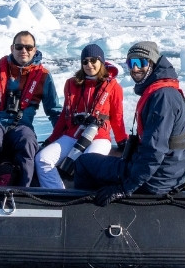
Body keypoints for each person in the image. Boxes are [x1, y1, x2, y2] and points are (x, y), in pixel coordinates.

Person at [73, 41, 185, 204]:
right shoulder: (163, 91)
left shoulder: (162, 97)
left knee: (83, 162)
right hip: (174, 170)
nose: (135, 68)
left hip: (160, 178)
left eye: (140, 62)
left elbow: (154, 151)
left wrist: (125, 188)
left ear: (151, 63)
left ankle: (84, 213)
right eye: (131, 63)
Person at [0, 30, 62, 186]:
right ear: (12, 48)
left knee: (28, 142)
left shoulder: (43, 76)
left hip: (22, 125)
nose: (24, 51)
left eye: (29, 48)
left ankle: (25, 191)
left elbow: (54, 111)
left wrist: (63, 138)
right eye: (19, 47)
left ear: (34, 50)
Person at [33, 44, 127, 189]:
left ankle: (87, 201)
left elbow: (118, 117)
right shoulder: (71, 84)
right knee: (42, 159)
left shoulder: (114, 87)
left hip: (99, 137)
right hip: (72, 135)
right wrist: (51, 139)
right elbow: (65, 114)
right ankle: (58, 195)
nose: (89, 65)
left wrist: (122, 142)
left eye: (93, 60)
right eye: (85, 61)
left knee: (88, 162)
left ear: (101, 61)